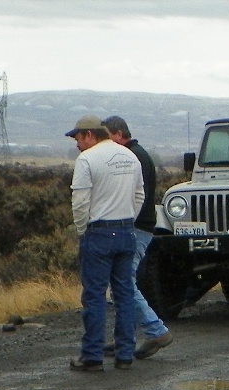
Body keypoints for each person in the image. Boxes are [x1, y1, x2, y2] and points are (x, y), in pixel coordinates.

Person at [66, 115, 145, 371]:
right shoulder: (130, 156)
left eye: (77, 137)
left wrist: (83, 230)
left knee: (95, 296)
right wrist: (127, 218)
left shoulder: (87, 159)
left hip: (98, 233)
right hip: (125, 231)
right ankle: (125, 354)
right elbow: (139, 194)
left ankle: (92, 356)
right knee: (124, 295)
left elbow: (79, 202)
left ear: (89, 135)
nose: (76, 144)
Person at [102, 115, 173, 359]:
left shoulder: (131, 157)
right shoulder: (138, 154)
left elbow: (133, 195)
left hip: (135, 226)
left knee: (124, 282)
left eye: (108, 137)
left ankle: (156, 331)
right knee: (123, 281)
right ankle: (124, 339)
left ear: (119, 134)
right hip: (140, 225)